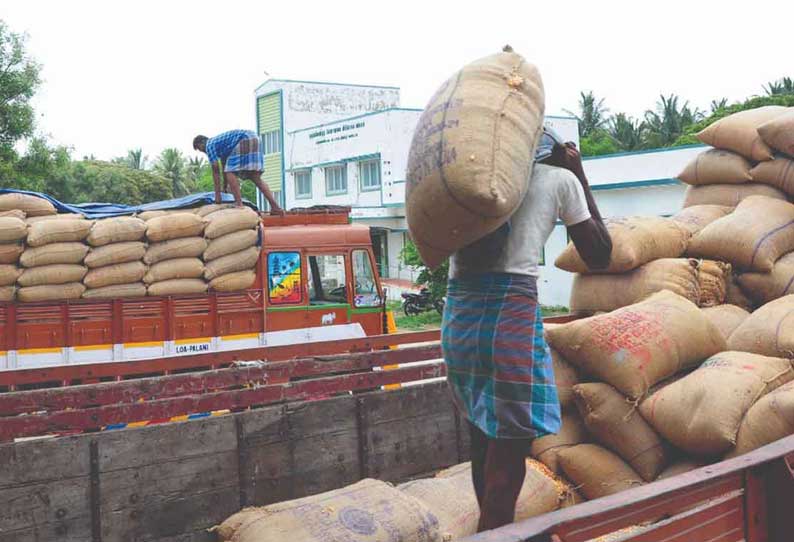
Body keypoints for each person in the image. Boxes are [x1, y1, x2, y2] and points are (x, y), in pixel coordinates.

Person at [441, 127, 612, 532]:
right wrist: (579, 172)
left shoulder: (475, 184)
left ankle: (494, 532)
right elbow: (600, 254)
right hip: (509, 319)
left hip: (459, 318)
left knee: (483, 438)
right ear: (553, 152)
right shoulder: (560, 180)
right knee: (510, 449)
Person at [193, 130, 283, 212]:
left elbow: (216, 170)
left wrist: (218, 195)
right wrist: (224, 187)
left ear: (201, 143)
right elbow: (224, 168)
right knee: (255, 177)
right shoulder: (221, 146)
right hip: (254, 138)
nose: (203, 151)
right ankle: (275, 207)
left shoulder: (209, 145)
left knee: (230, 171)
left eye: (200, 149)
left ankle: (239, 204)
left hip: (244, 139)